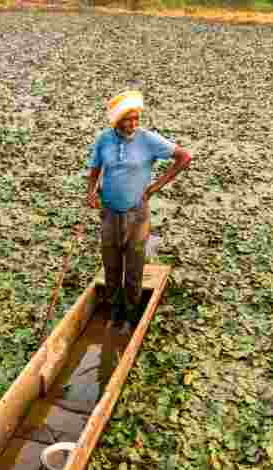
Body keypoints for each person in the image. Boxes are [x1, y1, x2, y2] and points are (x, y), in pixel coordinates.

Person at [85, 90, 192, 328]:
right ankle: (114, 308)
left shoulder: (148, 139)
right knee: (111, 264)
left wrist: (155, 187)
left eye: (136, 119)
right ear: (116, 120)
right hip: (110, 212)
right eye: (127, 119)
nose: (132, 124)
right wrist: (91, 191)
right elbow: (95, 167)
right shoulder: (104, 139)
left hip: (137, 213)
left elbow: (184, 157)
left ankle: (132, 312)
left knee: (134, 266)